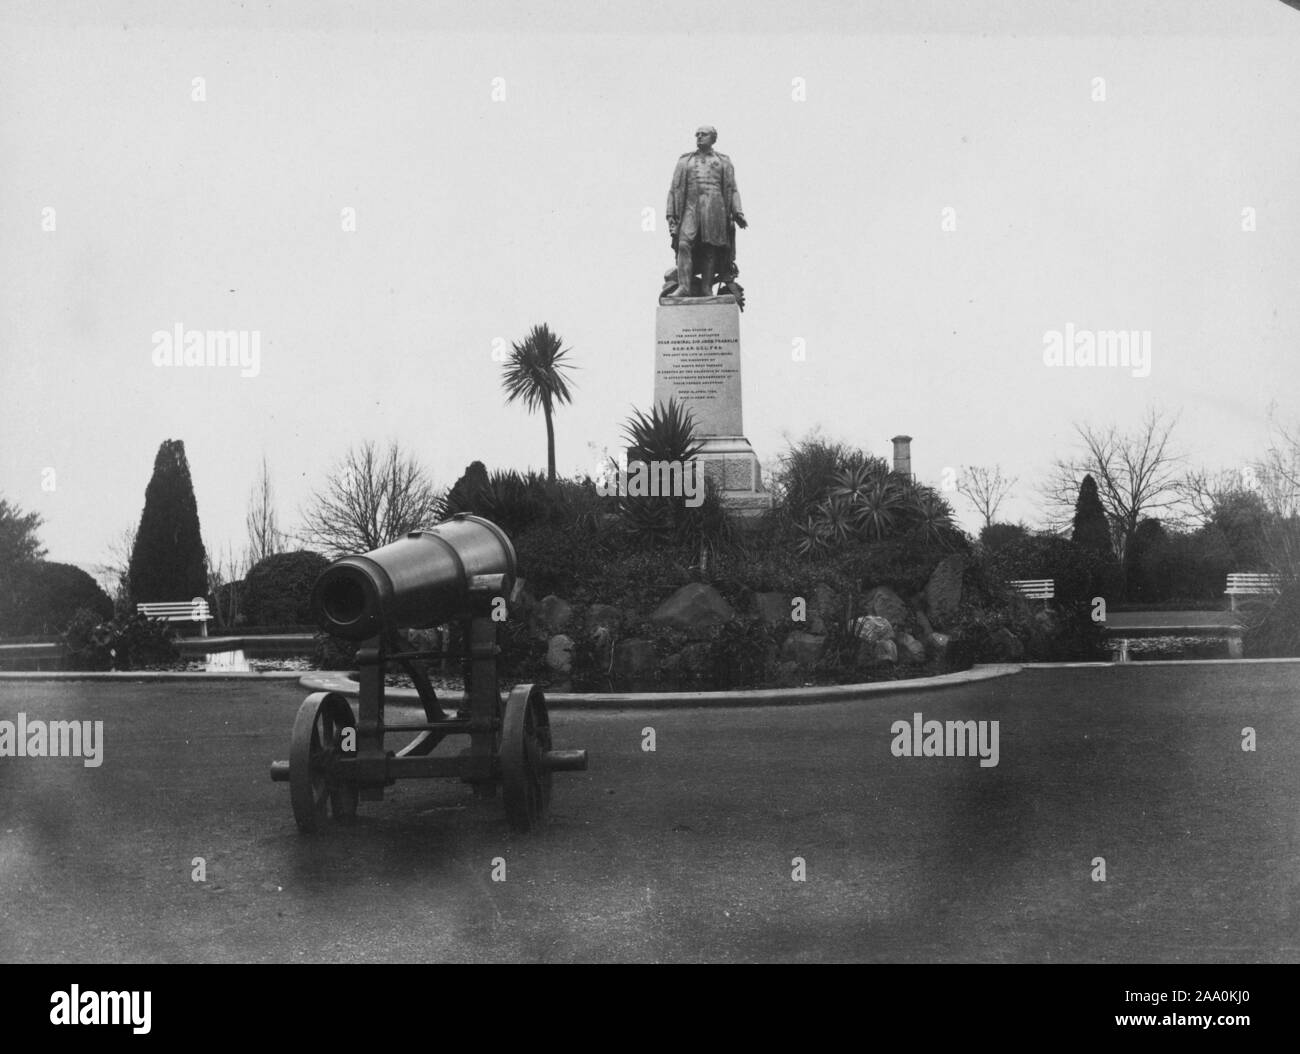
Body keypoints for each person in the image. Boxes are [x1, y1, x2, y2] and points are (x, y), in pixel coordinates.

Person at [665, 126, 747, 297]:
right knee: (684, 244)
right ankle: (684, 287)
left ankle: (706, 288)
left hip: (715, 206)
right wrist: (672, 216)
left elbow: (732, 189)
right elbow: (674, 189)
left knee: (710, 248)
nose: (699, 137)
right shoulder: (685, 161)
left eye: (704, 134)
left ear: (713, 138)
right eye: (697, 134)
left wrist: (738, 211)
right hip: (691, 206)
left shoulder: (723, 161)